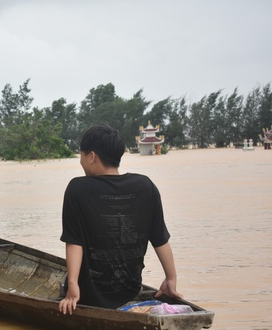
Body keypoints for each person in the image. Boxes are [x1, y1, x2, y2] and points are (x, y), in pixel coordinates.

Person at [58, 125, 182, 315]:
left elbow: (74, 242)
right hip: (130, 291)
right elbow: (160, 238)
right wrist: (170, 279)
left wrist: (72, 288)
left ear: (92, 157)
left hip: (88, 296)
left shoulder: (77, 189)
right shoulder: (146, 186)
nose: (81, 161)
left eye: (81, 155)